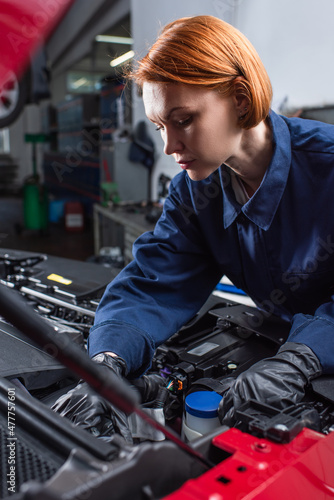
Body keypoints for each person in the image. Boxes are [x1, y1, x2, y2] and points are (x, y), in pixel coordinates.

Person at [54, 15, 334, 437]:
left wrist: (307, 354)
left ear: (240, 98)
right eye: (160, 127)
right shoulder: (195, 192)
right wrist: (105, 363)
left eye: (182, 120)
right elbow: (154, 282)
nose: (169, 148)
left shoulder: (328, 166)